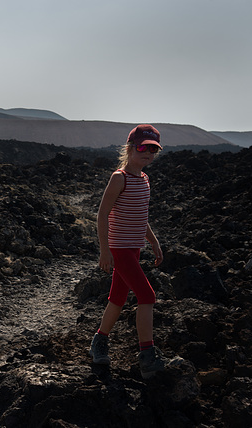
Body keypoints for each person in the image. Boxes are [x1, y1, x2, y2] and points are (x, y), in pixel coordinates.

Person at [89, 124, 166, 379]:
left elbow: (140, 217)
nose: (149, 154)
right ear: (131, 148)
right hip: (119, 249)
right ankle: (147, 355)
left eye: (153, 150)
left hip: (134, 249)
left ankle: (99, 341)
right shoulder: (119, 177)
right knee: (147, 295)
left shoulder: (144, 180)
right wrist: (104, 251)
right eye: (143, 147)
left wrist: (153, 242)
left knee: (117, 298)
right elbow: (102, 215)